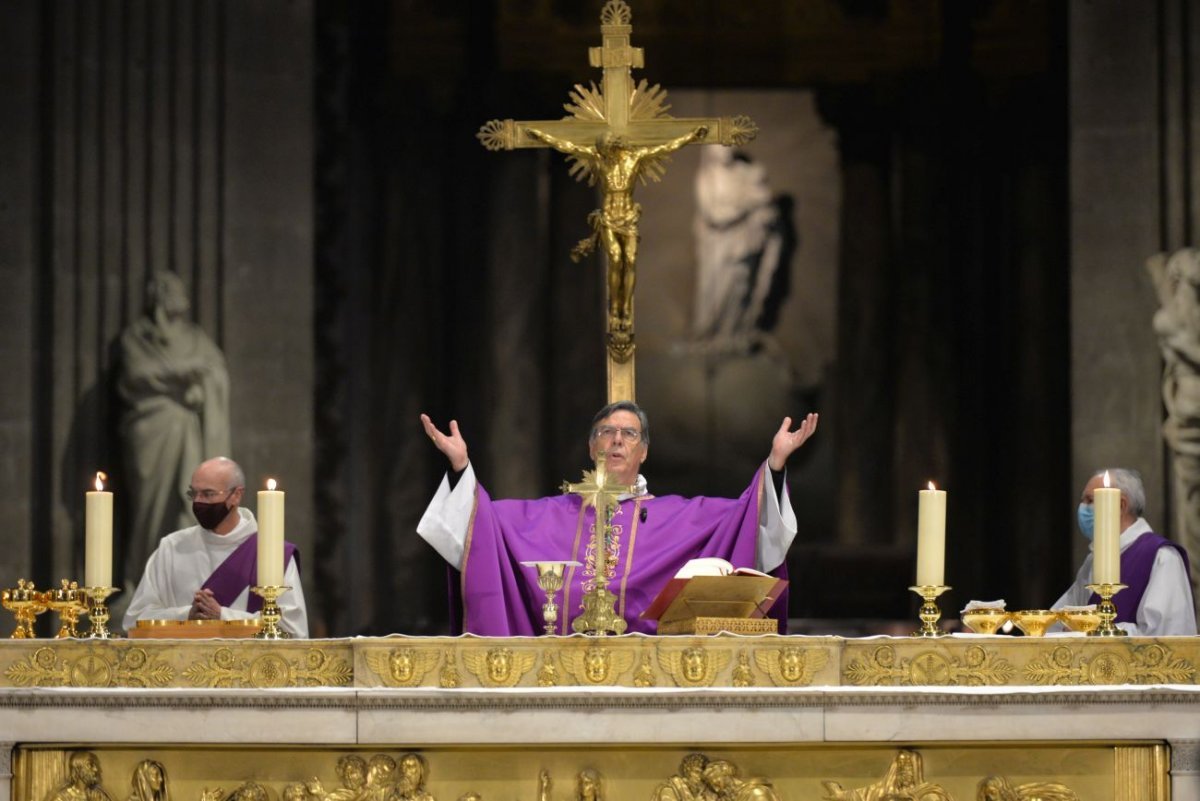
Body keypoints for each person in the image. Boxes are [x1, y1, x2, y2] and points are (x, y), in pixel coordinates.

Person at [417, 400, 818, 635]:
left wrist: (777, 464)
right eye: (607, 432)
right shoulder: (550, 515)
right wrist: (460, 467)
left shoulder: (681, 517)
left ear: (644, 451)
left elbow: (750, 518)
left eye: (629, 434)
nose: (617, 440)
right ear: (592, 447)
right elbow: (479, 523)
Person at [524, 127, 709, 332]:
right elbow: (567, 145)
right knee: (614, 256)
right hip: (610, 220)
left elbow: (667, 146)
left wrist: (691, 136)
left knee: (629, 261)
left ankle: (625, 307)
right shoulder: (600, 161)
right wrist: (542, 136)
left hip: (628, 220)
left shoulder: (635, 159)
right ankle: (615, 307)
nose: (609, 150)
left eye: (611, 146)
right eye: (606, 147)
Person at [117, 270, 231, 588]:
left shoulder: (194, 337)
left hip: (187, 429)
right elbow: (136, 373)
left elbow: (216, 368)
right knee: (148, 508)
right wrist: (181, 373)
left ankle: (183, 580)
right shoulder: (137, 337)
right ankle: (143, 579)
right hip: (151, 428)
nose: (179, 297)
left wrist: (202, 385)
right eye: (171, 291)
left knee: (188, 498)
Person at [122, 456, 308, 637]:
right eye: (193, 493)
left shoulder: (275, 554)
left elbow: (294, 630)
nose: (198, 502)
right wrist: (186, 615)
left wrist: (222, 616)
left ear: (236, 495)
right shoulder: (172, 547)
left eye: (208, 494)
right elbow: (134, 621)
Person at [1051, 468, 1196, 635]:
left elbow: (1168, 636)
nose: (1082, 508)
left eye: (1090, 500)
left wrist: (1097, 630)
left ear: (1120, 505)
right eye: (1082, 501)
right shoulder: (1093, 561)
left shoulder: (1162, 557)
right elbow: (1059, 619)